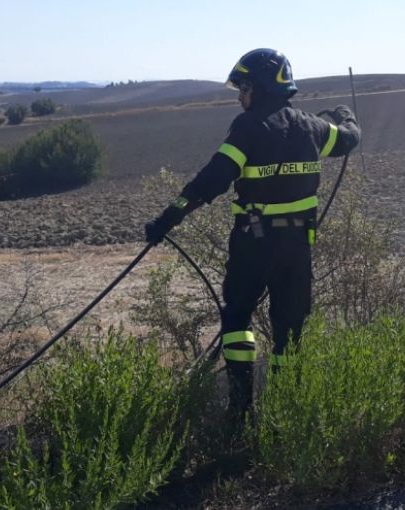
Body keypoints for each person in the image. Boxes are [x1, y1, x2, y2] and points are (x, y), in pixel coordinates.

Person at [143, 48, 361, 414]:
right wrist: (346, 115)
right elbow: (350, 138)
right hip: (296, 247)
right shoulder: (312, 127)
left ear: (260, 86)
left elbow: (210, 181)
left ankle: (240, 411)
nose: (239, 96)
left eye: (243, 87)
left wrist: (167, 220)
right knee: (289, 331)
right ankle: (286, 411)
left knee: (237, 318)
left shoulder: (248, 128)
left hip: (253, 244)